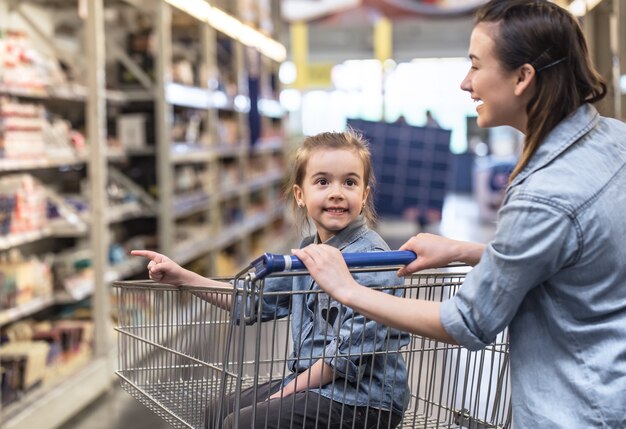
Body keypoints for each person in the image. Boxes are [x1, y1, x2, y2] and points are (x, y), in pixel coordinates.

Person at [292, 1, 626, 428]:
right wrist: (463, 251)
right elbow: (576, 253)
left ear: (523, 77)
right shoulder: (614, 138)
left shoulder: (546, 191)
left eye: (475, 65)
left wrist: (347, 289)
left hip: (578, 409)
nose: (465, 83)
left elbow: (469, 320)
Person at [132, 130, 410, 429]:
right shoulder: (307, 253)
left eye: (350, 182)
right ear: (300, 195)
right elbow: (251, 301)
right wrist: (181, 276)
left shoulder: (374, 259)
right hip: (319, 388)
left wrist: (283, 394)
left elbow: (346, 358)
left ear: (364, 194)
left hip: (364, 401)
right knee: (217, 412)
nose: (337, 192)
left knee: (241, 423)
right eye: (322, 181)